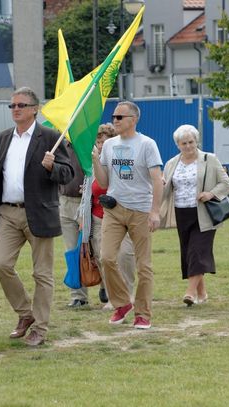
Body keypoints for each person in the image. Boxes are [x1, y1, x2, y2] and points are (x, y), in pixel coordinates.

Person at [0, 87, 74, 346]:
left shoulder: (50, 137)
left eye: (21, 105)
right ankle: (25, 313)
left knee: (42, 275)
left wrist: (52, 167)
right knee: (1, 264)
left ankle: (40, 330)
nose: (16, 109)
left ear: (35, 109)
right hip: (8, 212)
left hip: (39, 213)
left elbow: (68, 174)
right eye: (12, 106)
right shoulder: (3, 137)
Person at [92, 101, 163, 329]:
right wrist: (95, 159)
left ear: (133, 120)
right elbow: (103, 182)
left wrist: (154, 211)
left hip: (140, 210)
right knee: (107, 258)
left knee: (143, 266)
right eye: (114, 117)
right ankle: (122, 304)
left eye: (120, 117)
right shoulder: (110, 145)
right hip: (114, 209)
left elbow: (156, 180)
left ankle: (143, 314)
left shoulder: (147, 144)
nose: (115, 120)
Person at [160, 125, 229, 306]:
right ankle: (203, 293)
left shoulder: (210, 159)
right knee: (188, 252)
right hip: (181, 212)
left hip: (204, 212)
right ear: (178, 144)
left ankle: (190, 294)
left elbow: (225, 183)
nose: (188, 146)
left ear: (196, 141)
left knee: (197, 252)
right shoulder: (171, 163)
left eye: (191, 142)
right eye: (184, 143)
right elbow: (165, 188)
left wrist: (210, 194)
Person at [88, 124, 136, 309]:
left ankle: (128, 294)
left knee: (124, 254)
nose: (101, 145)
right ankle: (111, 295)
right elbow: (90, 189)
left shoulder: (121, 158)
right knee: (103, 258)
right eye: (98, 141)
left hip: (121, 215)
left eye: (104, 141)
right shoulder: (92, 161)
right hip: (98, 217)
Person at [60, 142, 87, 308]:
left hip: (87, 202)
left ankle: (107, 289)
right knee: (72, 253)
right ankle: (78, 295)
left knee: (97, 251)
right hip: (65, 202)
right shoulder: (58, 146)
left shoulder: (87, 143)